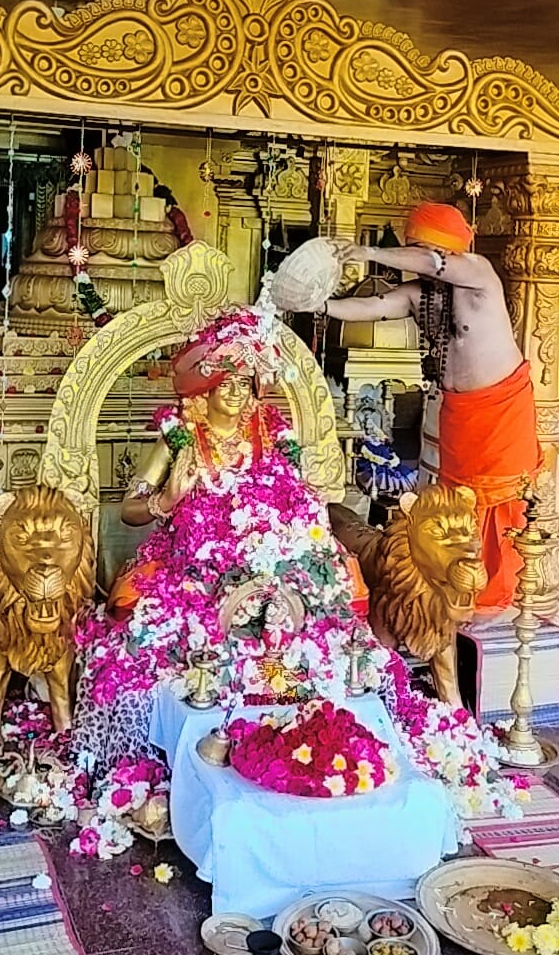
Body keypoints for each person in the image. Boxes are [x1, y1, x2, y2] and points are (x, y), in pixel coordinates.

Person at [71, 304, 374, 774]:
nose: (235, 393)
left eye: (244, 384)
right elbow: (129, 510)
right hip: (193, 563)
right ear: (205, 388)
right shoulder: (180, 439)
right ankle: (217, 694)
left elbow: (298, 500)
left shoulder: (274, 435)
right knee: (144, 616)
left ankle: (285, 691)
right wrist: (166, 501)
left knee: (338, 588)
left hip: (274, 561)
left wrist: (288, 523)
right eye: (225, 383)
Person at [324, 202, 542, 611]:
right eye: (411, 248)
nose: (414, 258)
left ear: (447, 248)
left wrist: (368, 252)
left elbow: (432, 262)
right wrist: (319, 306)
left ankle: (496, 600)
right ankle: (453, 588)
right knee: (455, 502)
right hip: (458, 413)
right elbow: (374, 307)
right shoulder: (420, 295)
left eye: (418, 248)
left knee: (498, 504)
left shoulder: (478, 274)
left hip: (501, 411)